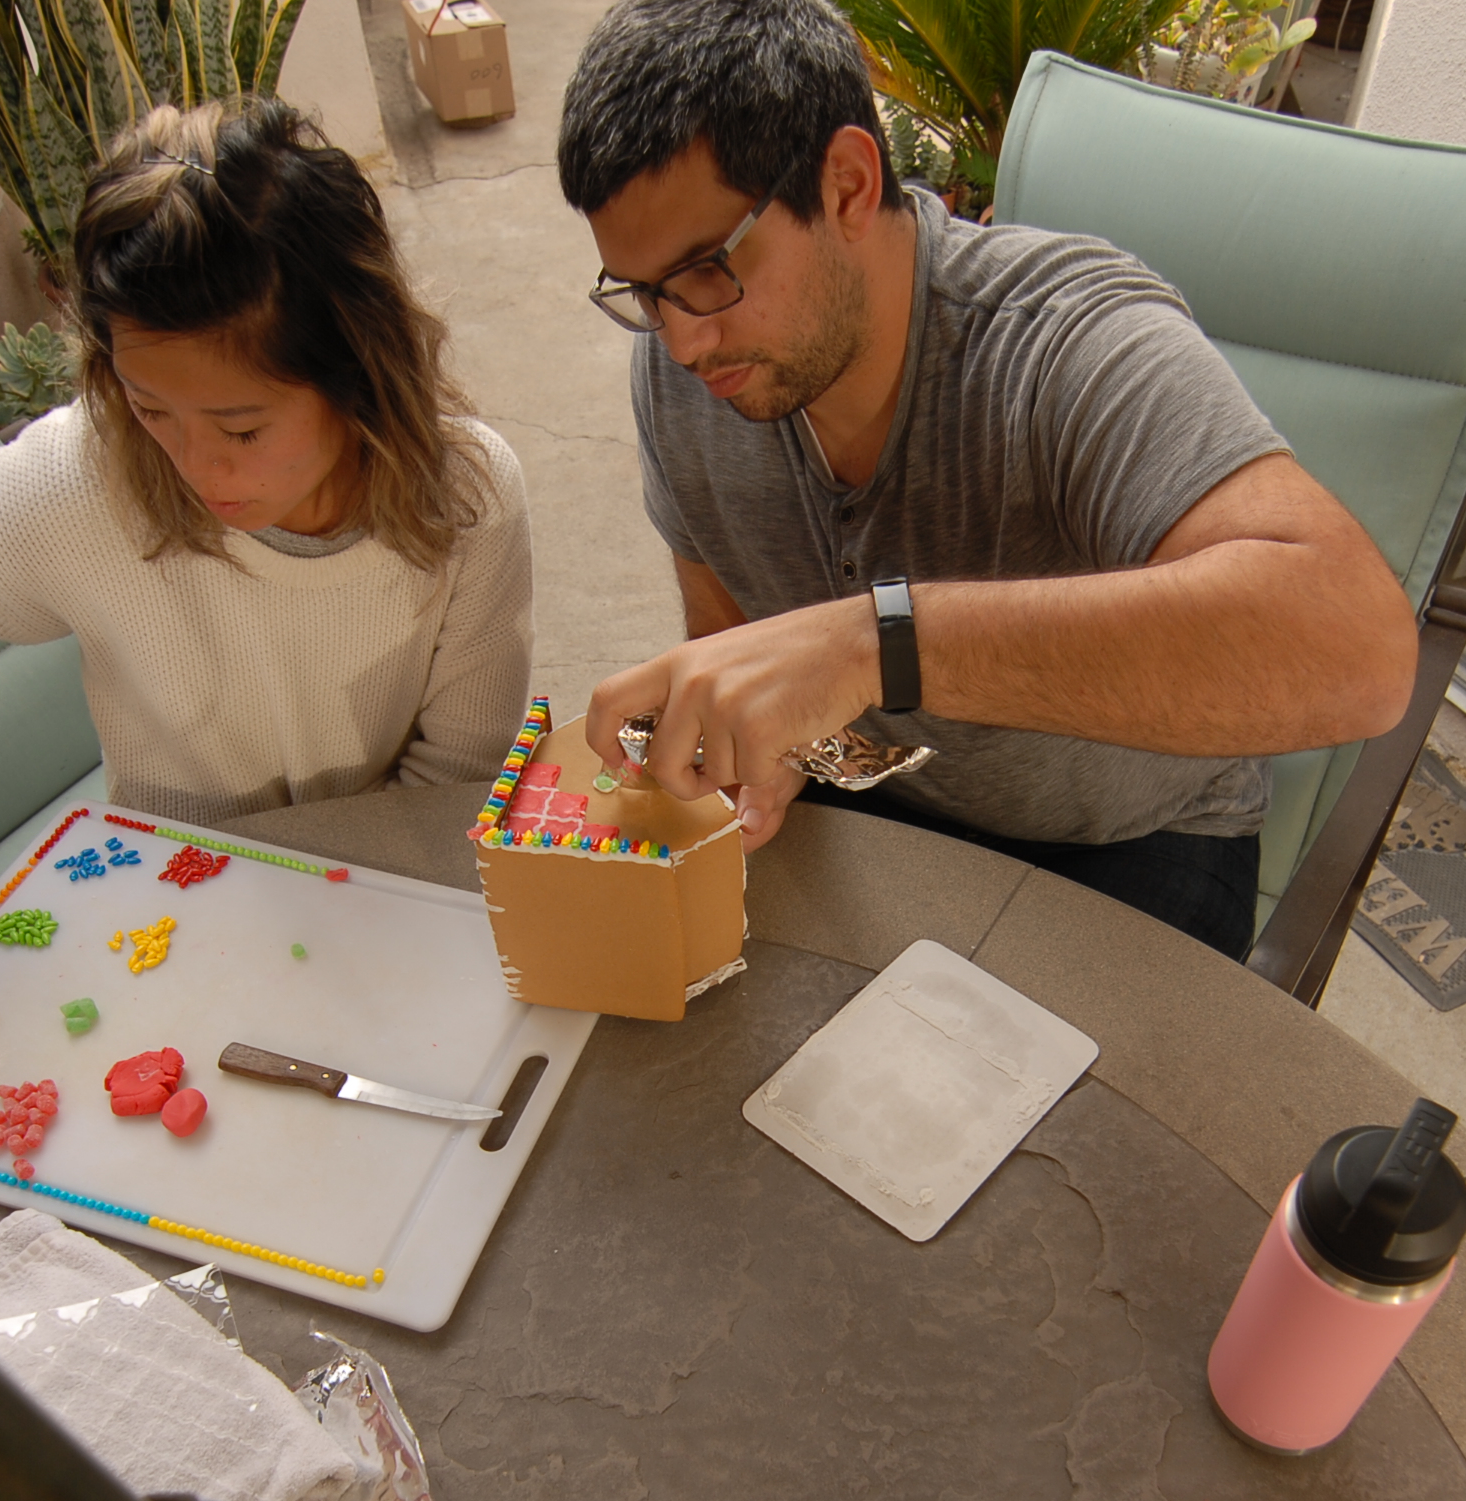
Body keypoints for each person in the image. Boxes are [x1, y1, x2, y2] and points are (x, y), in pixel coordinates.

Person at [555, 0, 1416, 958]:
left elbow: (1358, 652)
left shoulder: (1065, 343)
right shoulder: (687, 371)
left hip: (1124, 847)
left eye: (708, 270)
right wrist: (757, 740)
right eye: (645, 294)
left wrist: (871, 647)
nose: (682, 342)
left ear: (846, 185)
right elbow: (727, 629)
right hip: (874, 812)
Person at [0, 97, 531, 827]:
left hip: (385, 872)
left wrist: (309, 886)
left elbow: (457, 784)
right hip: (170, 876)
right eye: (151, 409)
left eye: (241, 430)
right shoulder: (84, 471)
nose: (195, 467)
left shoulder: (466, 498)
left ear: (359, 371)